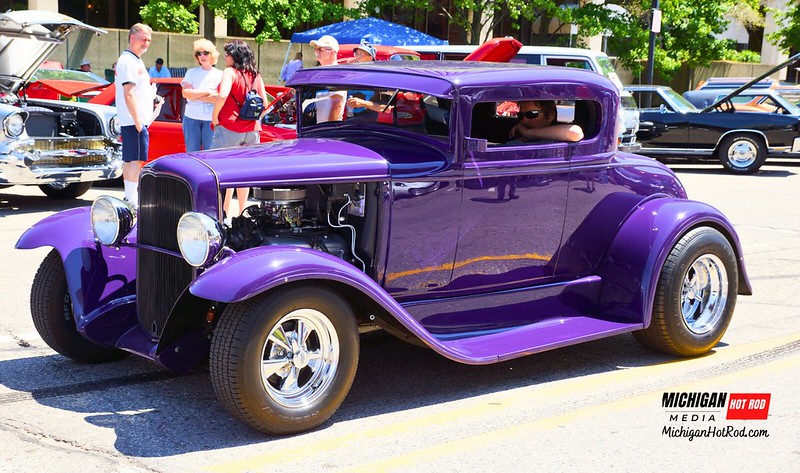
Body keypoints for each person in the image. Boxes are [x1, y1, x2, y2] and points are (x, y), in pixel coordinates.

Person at [211, 39, 269, 219]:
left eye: (227, 54)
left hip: (229, 127)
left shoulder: (230, 72)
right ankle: (242, 213)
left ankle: (222, 213)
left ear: (234, 56)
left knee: (220, 172)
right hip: (252, 130)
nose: (225, 57)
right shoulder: (256, 75)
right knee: (243, 173)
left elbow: (222, 95)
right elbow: (265, 104)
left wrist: (215, 117)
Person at [115, 23, 157, 208]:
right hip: (134, 119)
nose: (146, 43)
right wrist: (138, 120)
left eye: (148, 40)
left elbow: (135, 91)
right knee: (136, 160)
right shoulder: (128, 61)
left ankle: (129, 196)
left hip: (134, 119)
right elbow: (128, 93)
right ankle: (132, 199)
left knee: (131, 159)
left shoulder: (133, 60)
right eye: (143, 39)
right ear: (132, 38)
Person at [180, 39, 223, 152]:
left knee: (210, 153)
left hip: (211, 119)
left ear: (212, 55)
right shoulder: (191, 72)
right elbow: (186, 93)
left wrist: (195, 95)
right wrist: (208, 92)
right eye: (199, 53)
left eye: (206, 53)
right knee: (192, 153)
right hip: (191, 118)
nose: (202, 56)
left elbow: (217, 98)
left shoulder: (220, 75)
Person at [308, 35, 345, 123]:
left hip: (326, 128)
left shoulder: (336, 73)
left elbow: (337, 104)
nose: (316, 51)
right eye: (315, 49)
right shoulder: (321, 72)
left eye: (320, 49)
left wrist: (330, 128)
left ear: (332, 52)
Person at [508, 100, 584, 143]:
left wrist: (528, 133)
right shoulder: (516, 142)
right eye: (520, 115)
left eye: (531, 114)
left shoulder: (556, 140)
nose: (524, 120)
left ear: (550, 115)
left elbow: (575, 133)